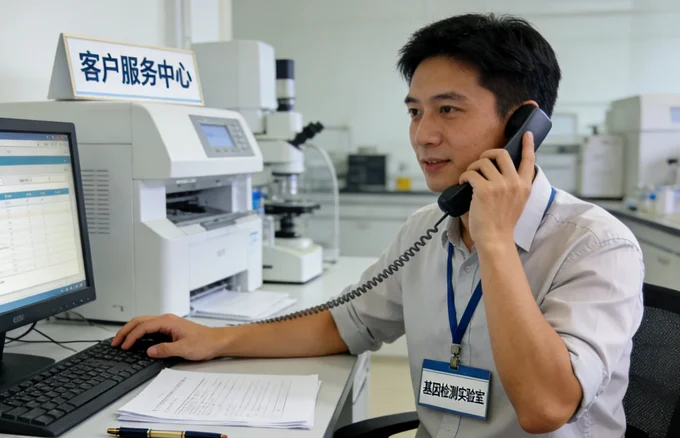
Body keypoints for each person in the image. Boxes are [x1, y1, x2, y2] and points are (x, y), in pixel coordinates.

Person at [113, 13, 644, 437]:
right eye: (415, 112)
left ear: (521, 125)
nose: (423, 135)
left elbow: (546, 407)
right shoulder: (426, 229)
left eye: (448, 110)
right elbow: (344, 324)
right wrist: (215, 339)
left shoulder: (595, 245)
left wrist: (496, 241)